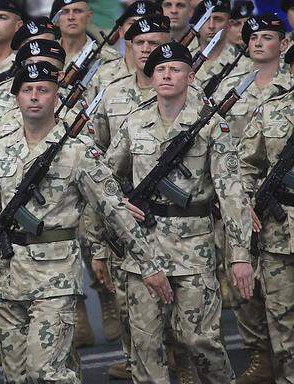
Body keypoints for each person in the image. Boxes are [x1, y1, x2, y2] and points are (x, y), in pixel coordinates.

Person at [0, 60, 167, 383]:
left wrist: (149, 264)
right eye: (27, 90)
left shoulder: (77, 151)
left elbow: (114, 210)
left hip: (54, 276)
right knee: (16, 376)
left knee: (46, 372)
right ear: (17, 97)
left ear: (56, 97)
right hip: (5, 275)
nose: (34, 97)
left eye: (43, 90)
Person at [105, 41, 253, 384]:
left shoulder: (211, 124)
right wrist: (119, 200)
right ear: (151, 76)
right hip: (143, 248)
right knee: (145, 347)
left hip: (193, 246)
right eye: (160, 69)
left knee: (200, 340)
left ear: (190, 75)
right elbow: (105, 175)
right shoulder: (135, 120)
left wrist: (240, 255)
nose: (167, 75)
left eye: (175, 69)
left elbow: (231, 192)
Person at [87, 13, 171, 380]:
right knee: (132, 306)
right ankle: (139, 363)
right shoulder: (111, 90)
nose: (147, 51)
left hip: (180, 221)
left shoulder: (180, 87)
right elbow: (98, 158)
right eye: (140, 44)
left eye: (154, 44)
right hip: (127, 215)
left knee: (185, 318)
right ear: (128, 45)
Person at [213, 13, 293, 384]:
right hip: (272, 217)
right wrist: (242, 202)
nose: (260, 43)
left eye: (268, 37)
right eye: (254, 37)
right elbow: (245, 161)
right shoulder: (265, 101)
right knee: (276, 311)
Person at [239, 80, 294, 384]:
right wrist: (245, 201)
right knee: (282, 319)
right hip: (278, 231)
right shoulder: (270, 112)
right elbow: (246, 164)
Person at [51, 0, 119, 69]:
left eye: (77, 11)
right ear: (56, 21)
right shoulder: (44, 55)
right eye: (65, 12)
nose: (71, 17)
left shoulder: (109, 58)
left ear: (88, 17)